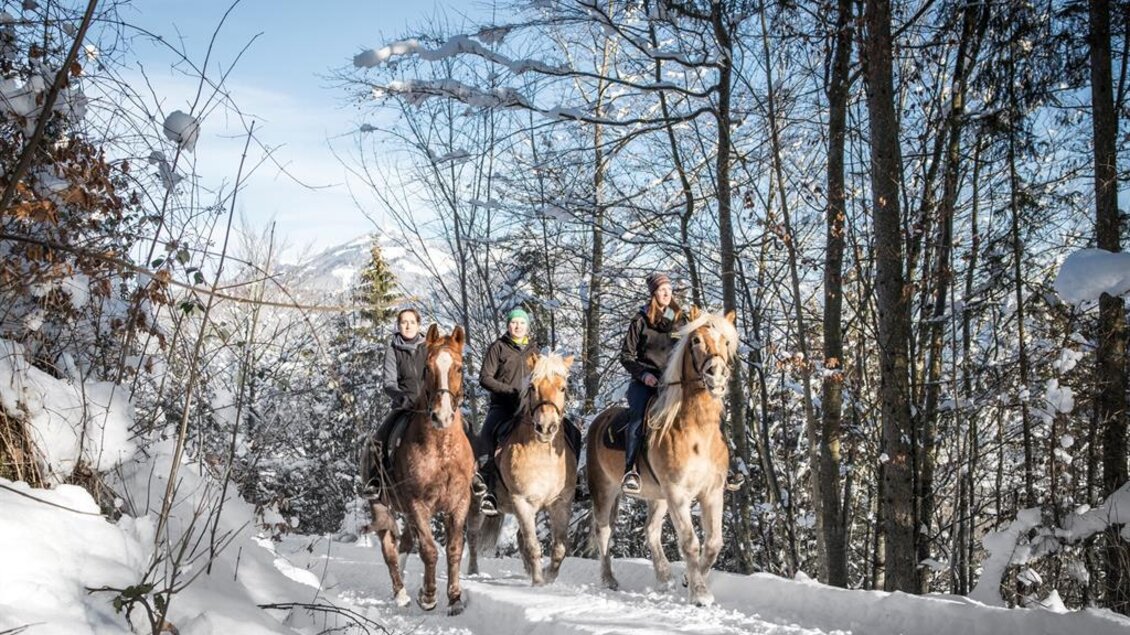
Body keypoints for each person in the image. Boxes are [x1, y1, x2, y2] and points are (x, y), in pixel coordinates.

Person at [618, 273, 687, 495]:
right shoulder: (640, 320)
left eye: (669, 289)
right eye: (662, 290)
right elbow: (626, 356)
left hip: (674, 382)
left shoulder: (679, 319)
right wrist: (644, 374)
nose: (667, 293)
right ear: (653, 293)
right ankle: (631, 470)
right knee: (638, 417)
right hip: (646, 382)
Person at [473, 307, 537, 516]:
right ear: (508, 325)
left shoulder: (535, 350)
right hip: (503, 406)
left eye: (522, 323)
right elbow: (485, 377)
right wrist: (509, 391)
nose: (518, 326)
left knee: (568, 429)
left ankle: (572, 482)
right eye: (514, 322)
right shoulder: (498, 348)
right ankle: (488, 489)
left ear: (527, 326)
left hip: (529, 408)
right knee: (486, 436)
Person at [373, 308, 428, 462]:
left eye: (412, 322)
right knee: (379, 440)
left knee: (465, 428)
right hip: (404, 406)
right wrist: (400, 397)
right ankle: (376, 474)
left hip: (430, 405)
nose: (408, 326)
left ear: (418, 325)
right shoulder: (392, 350)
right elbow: (389, 382)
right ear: (398, 326)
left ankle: (476, 470)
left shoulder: (430, 347)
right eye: (404, 322)